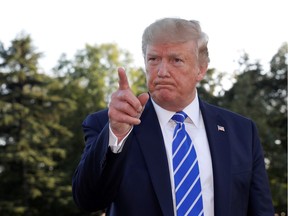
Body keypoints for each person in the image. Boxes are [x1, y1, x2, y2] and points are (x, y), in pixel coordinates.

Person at [72, 18, 274, 216]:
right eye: (153, 59)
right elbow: (88, 200)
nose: (161, 71)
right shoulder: (110, 125)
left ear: (200, 69)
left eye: (176, 60)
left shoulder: (241, 131)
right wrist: (116, 134)